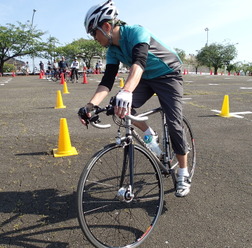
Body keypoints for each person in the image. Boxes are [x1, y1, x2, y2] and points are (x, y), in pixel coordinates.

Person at [78, 0, 191, 197]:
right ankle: (151, 137)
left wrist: (127, 90)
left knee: (174, 123)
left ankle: (183, 171)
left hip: (168, 74)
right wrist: (90, 105)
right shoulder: (112, 50)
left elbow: (138, 63)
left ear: (105, 26)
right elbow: (107, 80)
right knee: (119, 107)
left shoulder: (137, 32)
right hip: (145, 77)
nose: (93, 37)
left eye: (93, 32)